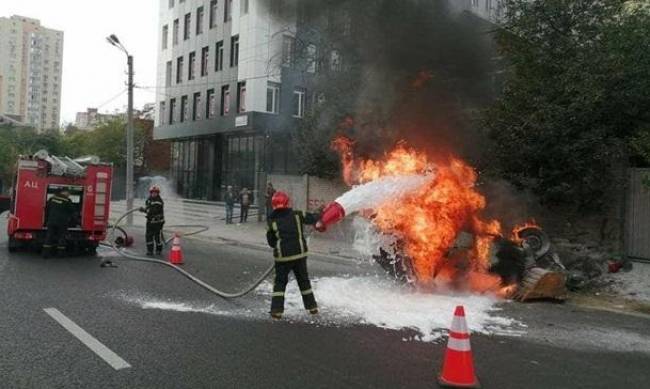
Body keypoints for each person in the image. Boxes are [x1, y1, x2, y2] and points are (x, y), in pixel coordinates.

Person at [266, 191, 321, 319]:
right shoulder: (297, 214)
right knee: (303, 281)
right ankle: (312, 308)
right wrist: (320, 214)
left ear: (273, 205)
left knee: (280, 283)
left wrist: (279, 245)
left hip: (283, 257)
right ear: (287, 203)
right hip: (299, 255)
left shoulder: (272, 221)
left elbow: (271, 241)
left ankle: (276, 311)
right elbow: (311, 218)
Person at [43, 188, 74, 258]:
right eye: (68, 193)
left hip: (51, 221)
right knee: (61, 237)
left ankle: (45, 254)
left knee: (49, 237)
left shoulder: (52, 199)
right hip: (62, 222)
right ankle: (60, 254)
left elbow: (46, 208)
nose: (69, 195)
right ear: (64, 192)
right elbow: (72, 210)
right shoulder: (67, 201)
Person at [140, 185, 165, 256]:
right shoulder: (149, 200)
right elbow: (148, 208)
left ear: (158, 193)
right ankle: (150, 251)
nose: (154, 194)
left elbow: (152, 211)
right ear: (150, 193)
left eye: (155, 192)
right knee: (148, 236)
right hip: (150, 222)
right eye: (152, 192)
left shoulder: (159, 201)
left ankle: (158, 250)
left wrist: (144, 210)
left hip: (158, 223)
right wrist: (144, 209)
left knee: (157, 237)